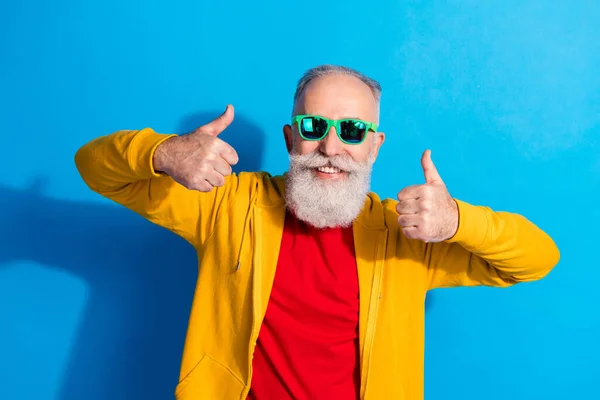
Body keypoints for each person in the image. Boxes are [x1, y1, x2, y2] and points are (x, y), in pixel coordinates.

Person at [74, 64, 560, 400]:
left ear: (374, 146)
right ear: (291, 137)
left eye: (352, 131)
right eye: (313, 125)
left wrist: (457, 221)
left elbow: (538, 258)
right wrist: (161, 153)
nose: (331, 145)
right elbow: (95, 167)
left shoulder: (405, 233)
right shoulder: (225, 204)